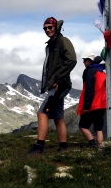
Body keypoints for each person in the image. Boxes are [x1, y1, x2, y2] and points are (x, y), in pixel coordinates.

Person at [28, 17, 77, 154]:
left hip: (59, 85)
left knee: (42, 113)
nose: (47, 30)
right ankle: (63, 147)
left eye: (50, 27)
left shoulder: (62, 41)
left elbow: (72, 59)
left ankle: (39, 147)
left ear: (56, 27)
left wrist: (58, 78)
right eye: (45, 28)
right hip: (57, 84)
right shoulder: (52, 44)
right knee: (58, 117)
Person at [77, 54, 106, 148]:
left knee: (83, 125)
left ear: (90, 61)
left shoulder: (90, 72)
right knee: (98, 128)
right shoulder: (101, 71)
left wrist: (86, 106)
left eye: (85, 60)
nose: (83, 62)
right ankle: (100, 148)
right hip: (102, 104)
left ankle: (92, 144)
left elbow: (89, 89)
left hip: (93, 104)